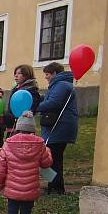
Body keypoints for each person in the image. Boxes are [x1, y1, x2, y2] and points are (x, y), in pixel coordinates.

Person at [0, 112, 53, 214]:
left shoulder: (8, 144)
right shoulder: (40, 145)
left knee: (11, 213)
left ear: (17, 128)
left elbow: (1, 167)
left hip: (12, 189)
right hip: (30, 189)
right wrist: (48, 151)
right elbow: (46, 163)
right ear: (32, 129)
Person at [36, 62, 77, 195]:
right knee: (54, 158)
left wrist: (35, 107)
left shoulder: (61, 85)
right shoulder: (61, 85)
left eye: (47, 74)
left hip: (59, 127)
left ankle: (56, 188)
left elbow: (54, 102)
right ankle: (54, 186)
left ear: (54, 73)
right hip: (58, 127)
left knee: (53, 159)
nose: (46, 77)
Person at [7, 64, 43, 137]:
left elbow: (33, 106)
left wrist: (28, 113)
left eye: (19, 73)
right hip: (13, 122)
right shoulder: (15, 89)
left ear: (27, 75)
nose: (16, 76)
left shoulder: (31, 89)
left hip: (24, 124)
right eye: (15, 73)